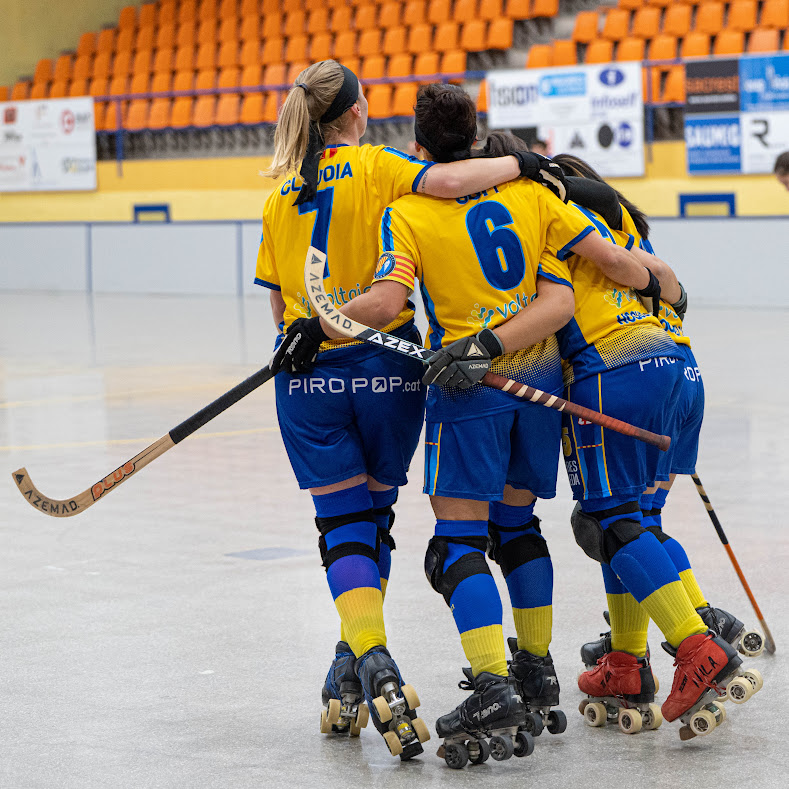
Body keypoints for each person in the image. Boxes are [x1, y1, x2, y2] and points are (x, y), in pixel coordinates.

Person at [328, 86, 665, 765]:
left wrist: (319, 320)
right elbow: (576, 286)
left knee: (454, 545)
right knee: (517, 529)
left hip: (471, 390)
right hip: (540, 387)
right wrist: (666, 288)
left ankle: (490, 682)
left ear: (417, 146)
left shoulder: (408, 210)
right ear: (479, 136)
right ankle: (535, 668)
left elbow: (390, 299)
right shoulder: (535, 195)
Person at [255, 59, 565, 760]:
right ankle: (353, 655)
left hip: (308, 377)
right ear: (357, 115)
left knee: (342, 528)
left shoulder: (277, 197)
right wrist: (523, 167)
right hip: (388, 368)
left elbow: (280, 311)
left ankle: (367, 657)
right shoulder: (376, 166)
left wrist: (308, 332)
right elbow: (450, 182)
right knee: (379, 520)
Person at [530, 150, 761, 740]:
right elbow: (673, 291)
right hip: (680, 372)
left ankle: (694, 644)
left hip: (615, 374)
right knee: (639, 522)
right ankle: (628, 664)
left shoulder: (557, 222)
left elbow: (551, 309)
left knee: (607, 523)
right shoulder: (625, 222)